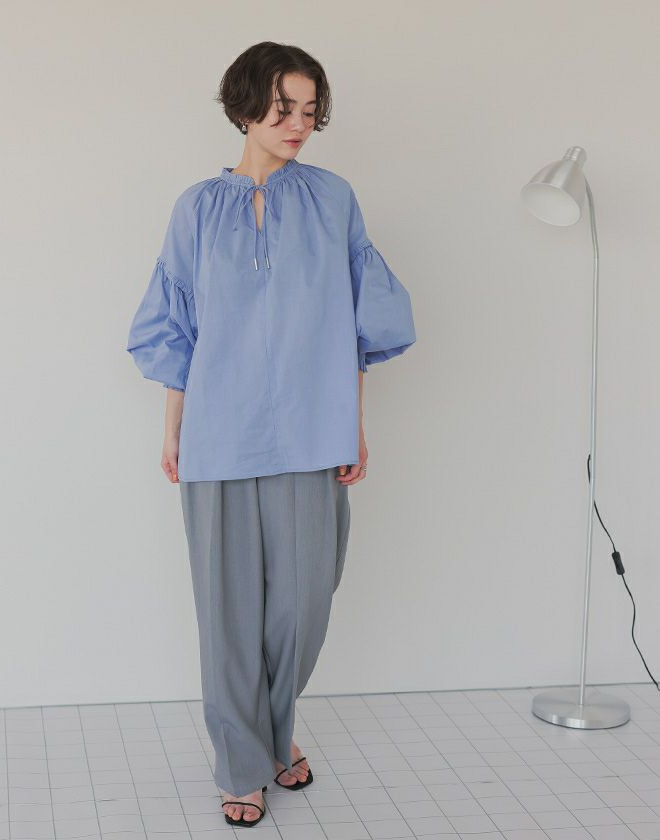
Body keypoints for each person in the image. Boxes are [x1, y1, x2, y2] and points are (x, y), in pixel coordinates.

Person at [125, 41, 416, 828]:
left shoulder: (333, 199)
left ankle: (272, 728)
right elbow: (177, 324)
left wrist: (354, 426)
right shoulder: (195, 208)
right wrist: (173, 431)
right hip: (218, 433)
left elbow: (358, 321)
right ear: (246, 104)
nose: (298, 123)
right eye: (283, 107)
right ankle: (244, 763)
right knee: (227, 613)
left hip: (313, 430)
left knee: (302, 604)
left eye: (310, 110)